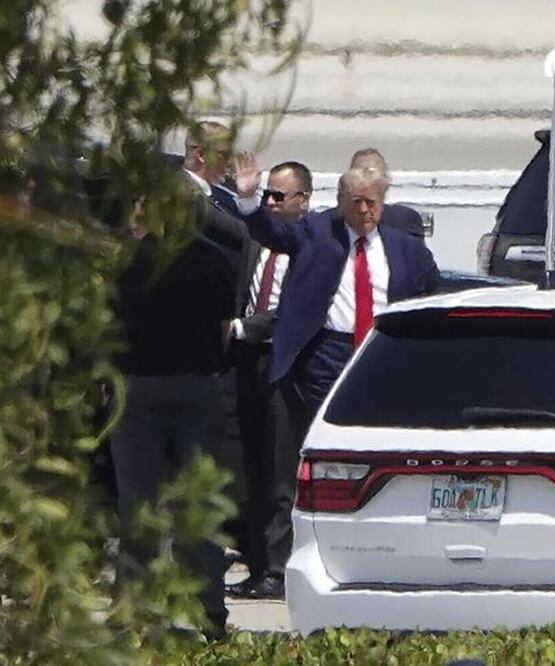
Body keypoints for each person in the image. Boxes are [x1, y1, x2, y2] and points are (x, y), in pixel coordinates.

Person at [109, 121, 246, 639]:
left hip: (137, 388)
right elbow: (224, 323)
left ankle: (133, 614)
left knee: (137, 506)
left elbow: (108, 325)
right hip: (197, 384)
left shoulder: (126, 259)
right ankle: (208, 612)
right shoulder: (214, 259)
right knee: (200, 508)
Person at [234, 158, 440, 417]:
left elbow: (431, 293)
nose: (364, 210)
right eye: (356, 202)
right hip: (327, 356)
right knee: (323, 426)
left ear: (382, 203)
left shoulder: (406, 249)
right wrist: (249, 200)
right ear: (341, 203)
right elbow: (274, 233)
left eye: (371, 202)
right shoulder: (318, 233)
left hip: (381, 351)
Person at [225, 161, 313, 599]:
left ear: (303, 201)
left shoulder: (310, 245)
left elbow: (295, 309)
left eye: (280, 196)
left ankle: (278, 570)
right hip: (246, 362)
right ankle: (257, 562)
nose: (272, 204)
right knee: (251, 465)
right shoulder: (254, 240)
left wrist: (245, 328)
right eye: (268, 196)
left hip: (283, 363)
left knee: (281, 469)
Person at [348, 147, 426, 240]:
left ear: (387, 183)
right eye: (359, 177)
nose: (366, 183)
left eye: (372, 176)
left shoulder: (403, 222)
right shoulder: (333, 224)